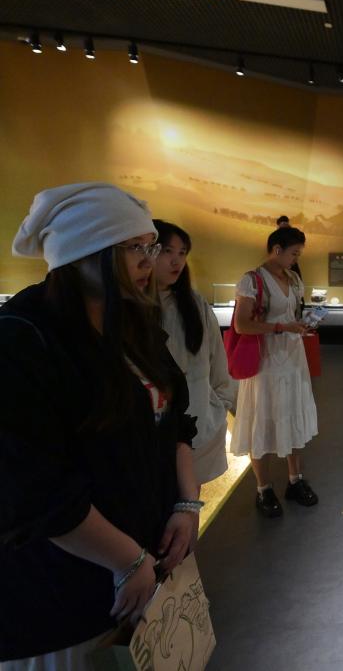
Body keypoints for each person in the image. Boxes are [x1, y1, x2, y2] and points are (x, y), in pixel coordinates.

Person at [0, 183, 199, 667]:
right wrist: (125, 559)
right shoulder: (23, 339)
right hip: (63, 597)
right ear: (81, 252)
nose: (149, 261)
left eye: (150, 246)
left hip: (146, 572)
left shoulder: (131, 324)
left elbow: (175, 421)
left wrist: (187, 503)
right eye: (133, 248)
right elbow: (33, 491)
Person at [232, 226, 319, 517]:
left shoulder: (293, 279)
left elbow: (292, 315)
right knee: (262, 419)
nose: (296, 259)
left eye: (299, 254)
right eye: (294, 253)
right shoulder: (252, 280)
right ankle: (264, 488)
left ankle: (295, 479)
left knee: (292, 415)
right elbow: (241, 324)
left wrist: (302, 324)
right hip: (265, 363)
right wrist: (281, 327)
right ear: (277, 249)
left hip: (293, 359)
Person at [153, 219, 237, 486]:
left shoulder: (194, 303)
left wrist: (220, 404)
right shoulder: (132, 306)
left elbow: (217, 359)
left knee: (190, 494)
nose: (176, 261)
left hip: (199, 418)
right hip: (152, 424)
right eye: (167, 251)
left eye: (182, 253)